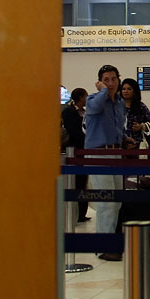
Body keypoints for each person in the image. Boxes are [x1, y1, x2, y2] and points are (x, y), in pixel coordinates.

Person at [84, 64, 128, 261]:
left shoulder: (119, 103)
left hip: (116, 154)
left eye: (113, 79)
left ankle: (111, 241)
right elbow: (94, 109)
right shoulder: (95, 99)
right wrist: (102, 91)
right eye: (106, 80)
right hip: (98, 155)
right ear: (100, 82)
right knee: (106, 202)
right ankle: (103, 246)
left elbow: (117, 126)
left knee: (116, 201)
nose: (110, 84)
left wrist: (124, 139)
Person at [62, 88, 90, 222]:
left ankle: (82, 213)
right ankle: (75, 213)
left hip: (84, 152)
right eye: (86, 96)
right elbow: (73, 131)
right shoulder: (69, 112)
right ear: (80, 97)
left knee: (82, 182)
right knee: (75, 182)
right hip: (74, 151)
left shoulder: (85, 112)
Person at [120, 78, 150, 146]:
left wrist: (141, 126)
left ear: (134, 91)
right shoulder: (116, 106)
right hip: (119, 144)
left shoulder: (141, 107)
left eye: (129, 89)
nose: (126, 91)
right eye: (123, 89)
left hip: (137, 145)